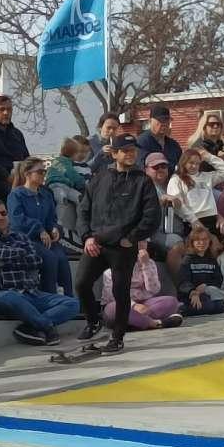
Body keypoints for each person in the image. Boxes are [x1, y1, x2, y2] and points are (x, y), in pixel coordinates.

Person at [74, 134, 160, 354]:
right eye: (125, 150)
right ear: (114, 154)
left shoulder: (143, 181)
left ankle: (117, 337)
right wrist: (87, 237)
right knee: (81, 283)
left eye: (133, 150)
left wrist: (131, 238)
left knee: (121, 291)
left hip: (123, 246)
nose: (131, 154)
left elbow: (152, 216)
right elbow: (84, 210)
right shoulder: (99, 178)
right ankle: (93, 321)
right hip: (97, 243)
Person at [0, 198, 79, 346]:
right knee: (14, 298)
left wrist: (5, 260)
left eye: (3, 213)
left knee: (73, 304)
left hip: (30, 293)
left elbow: (36, 260)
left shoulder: (20, 236)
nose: (1, 217)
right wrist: (21, 254)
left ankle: (29, 328)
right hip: (1, 294)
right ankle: (47, 327)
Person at [7, 158, 73, 296]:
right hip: (25, 239)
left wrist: (54, 228)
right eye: (40, 172)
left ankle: (68, 298)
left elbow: (51, 218)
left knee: (62, 260)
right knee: (50, 259)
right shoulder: (16, 195)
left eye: (44, 171)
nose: (43, 174)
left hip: (45, 239)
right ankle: (49, 296)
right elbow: (17, 220)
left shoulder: (46, 194)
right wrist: (39, 229)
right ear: (27, 174)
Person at [100, 246, 183, 330]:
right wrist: (134, 306)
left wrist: (145, 265)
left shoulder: (149, 263)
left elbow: (154, 290)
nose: (140, 246)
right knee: (114, 309)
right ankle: (155, 323)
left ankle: (137, 323)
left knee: (171, 301)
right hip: (122, 304)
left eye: (143, 242)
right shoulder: (112, 269)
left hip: (145, 304)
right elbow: (114, 296)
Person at [166, 147, 224, 236]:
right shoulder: (176, 179)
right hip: (193, 221)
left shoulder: (206, 177)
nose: (194, 166)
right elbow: (179, 205)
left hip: (212, 219)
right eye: (191, 163)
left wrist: (209, 157)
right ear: (184, 162)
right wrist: (194, 221)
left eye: (197, 163)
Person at [142, 153, 185, 277]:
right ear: (146, 169)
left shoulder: (174, 184)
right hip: (156, 233)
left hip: (181, 230)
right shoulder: (144, 186)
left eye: (163, 166)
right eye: (156, 167)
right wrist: (161, 201)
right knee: (177, 244)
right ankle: (178, 284)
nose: (160, 169)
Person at [176, 226, 224, 317]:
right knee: (209, 305)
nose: (202, 243)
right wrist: (193, 292)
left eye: (204, 239)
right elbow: (183, 282)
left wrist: (206, 285)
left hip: (207, 294)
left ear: (209, 241)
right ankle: (182, 309)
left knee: (220, 305)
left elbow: (218, 280)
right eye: (197, 240)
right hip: (190, 296)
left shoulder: (212, 260)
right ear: (192, 242)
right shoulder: (187, 260)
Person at [46, 136, 89, 244]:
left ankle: (79, 226)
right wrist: (82, 183)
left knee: (80, 198)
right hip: (56, 185)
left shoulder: (65, 162)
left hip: (67, 186)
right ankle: (59, 225)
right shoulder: (62, 162)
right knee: (62, 199)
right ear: (73, 154)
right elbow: (72, 175)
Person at [188, 112, 224, 179]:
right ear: (204, 127)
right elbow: (197, 169)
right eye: (211, 124)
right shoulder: (197, 146)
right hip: (205, 183)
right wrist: (219, 159)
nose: (215, 126)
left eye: (218, 124)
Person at [136, 104, 183, 170]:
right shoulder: (142, 142)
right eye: (160, 120)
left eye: (167, 120)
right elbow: (141, 168)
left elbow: (182, 167)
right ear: (150, 121)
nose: (164, 124)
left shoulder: (174, 145)